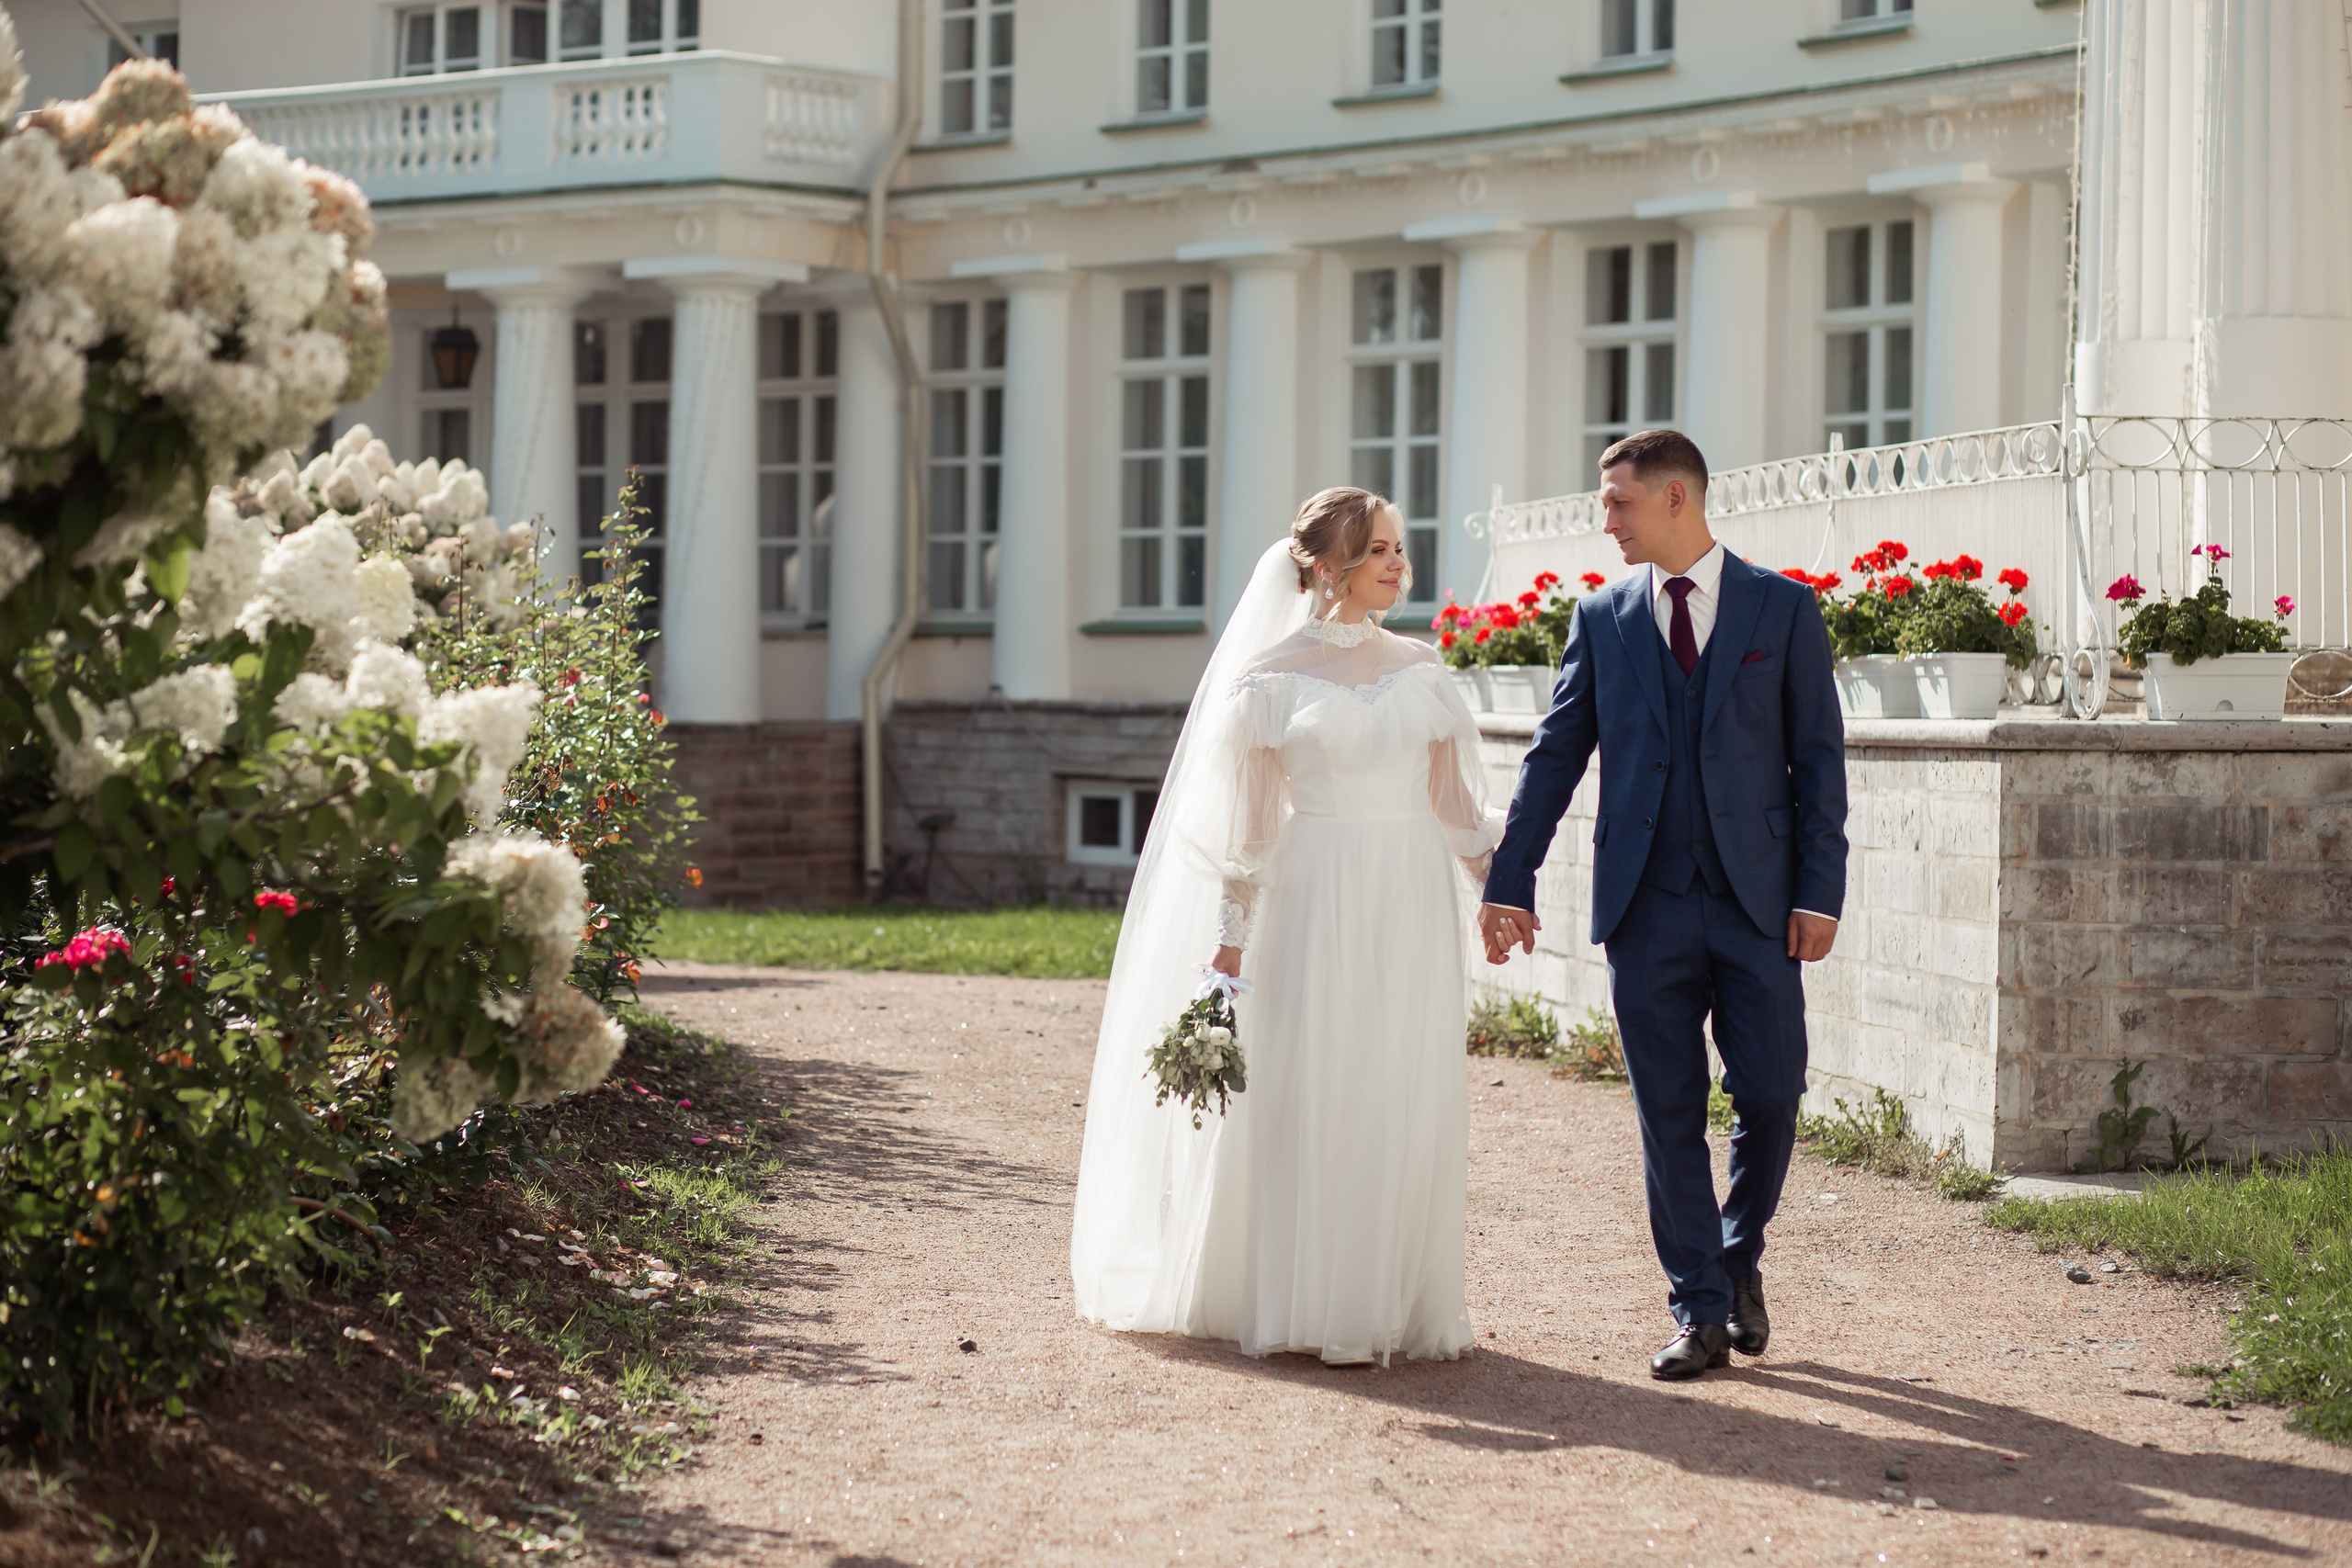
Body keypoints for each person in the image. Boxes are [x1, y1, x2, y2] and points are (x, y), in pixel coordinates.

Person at [1072, 487, 1500, 1366]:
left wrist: (1498, 894)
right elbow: (1250, 836)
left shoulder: (1424, 667)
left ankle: (1387, 1298)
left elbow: (1458, 809)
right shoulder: (1265, 678)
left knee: (1398, 1085)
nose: (1396, 564)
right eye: (1377, 548)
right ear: (1324, 565)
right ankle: (1301, 1296)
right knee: (1314, 1083)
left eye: (1398, 549)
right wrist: (1227, 953)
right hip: (1314, 895)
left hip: (1410, 899)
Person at [1478, 429, 1849, 1382]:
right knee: (1666, 1111)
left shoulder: (1784, 610)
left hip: (1758, 905)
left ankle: (1737, 1255)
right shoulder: (1600, 620)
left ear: (1676, 498)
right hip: (1644, 906)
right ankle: (1697, 1306)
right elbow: (1554, 756)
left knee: (1771, 1092)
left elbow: (1819, 764)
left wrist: (1819, 892)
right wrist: (1509, 878)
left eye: (1618, 504)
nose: (1605, 522)